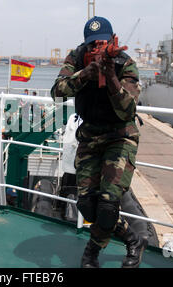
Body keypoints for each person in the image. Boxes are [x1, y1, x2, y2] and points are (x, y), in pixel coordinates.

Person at [51, 16, 147, 268]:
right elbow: (57, 92)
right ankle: (133, 238)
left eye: (102, 44)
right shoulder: (76, 57)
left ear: (112, 41)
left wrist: (110, 78)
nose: (97, 50)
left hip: (120, 135)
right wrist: (85, 74)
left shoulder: (125, 64)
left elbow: (128, 110)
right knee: (86, 204)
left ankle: (91, 252)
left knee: (107, 202)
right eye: (92, 45)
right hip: (90, 134)